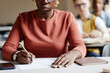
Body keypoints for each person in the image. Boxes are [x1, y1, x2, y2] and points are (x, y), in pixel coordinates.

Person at [1, 0, 86, 68]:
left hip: (59, 68)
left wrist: (73, 54)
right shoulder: (23, 19)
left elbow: (80, 46)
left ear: (56, 1)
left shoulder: (67, 17)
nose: (45, 1)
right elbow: (7, 48)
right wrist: (16, 55)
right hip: (31, 69)